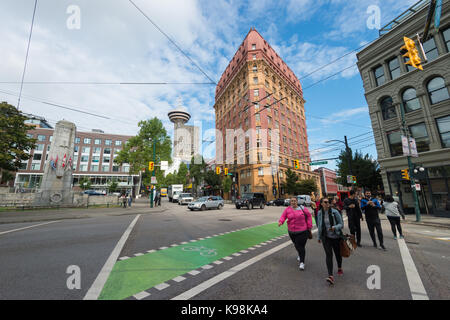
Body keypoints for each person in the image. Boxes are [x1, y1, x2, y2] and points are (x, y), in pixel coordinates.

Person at [278, 197, 313, 271]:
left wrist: (309, 226)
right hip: (291, 231)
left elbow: (309, 216)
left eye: (294, 201)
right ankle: (300, 254)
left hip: (302, 231)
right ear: (290, 202)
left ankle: (302, 262)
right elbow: (283, 216)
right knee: (296, 245)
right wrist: (281, 222)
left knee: (301, 246)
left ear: (297, 201)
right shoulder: (288, 209)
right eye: (292, 201)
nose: (293, 202)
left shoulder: (302, 208)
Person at [317, 197, 344, 286]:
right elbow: (319, 225)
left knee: (337, 254)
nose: (327, 203)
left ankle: (339, 267)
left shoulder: (335, 212)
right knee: (329, 255)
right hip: (326, 237)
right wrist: (319, 237)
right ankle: (330, 275)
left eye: (328, 202)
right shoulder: (320, 213)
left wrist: (334, 227)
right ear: (321, 203)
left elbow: (341, 224)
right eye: (325, 202)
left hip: (336, 237)